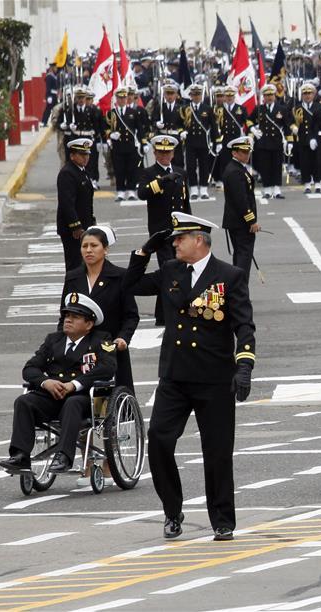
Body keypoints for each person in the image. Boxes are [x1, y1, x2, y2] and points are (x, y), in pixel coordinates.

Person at [123, 212, 256, 541]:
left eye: (179, 239)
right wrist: (143, 252)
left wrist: (244, 367)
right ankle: (172, 509)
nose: (174, 244)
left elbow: (244, 325)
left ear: (200, 240)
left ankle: (223, 519)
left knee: (218, 452)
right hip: (175, 376)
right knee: (159, 441)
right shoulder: (171, 270)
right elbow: (132, 285)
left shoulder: (229, 275)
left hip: (214, 377)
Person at [0, 293, 116, 475]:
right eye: (67, 316)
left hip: (88, 399)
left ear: (89, 324)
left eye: (75, 317)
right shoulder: (53, 340)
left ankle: (63, 456)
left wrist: (74, 384)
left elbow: (108, 368)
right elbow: (30, 368)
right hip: (53, 396)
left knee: (72, 403)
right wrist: (46, 382)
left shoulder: (101, 340)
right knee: (23, 402)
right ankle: (20, 456)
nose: (68, 320)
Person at [61, 226, 139, 391]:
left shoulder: (119, 276)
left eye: (94, 245)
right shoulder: (73, 277)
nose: (88, 250)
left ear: (105, 249)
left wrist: (123, 338)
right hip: (78, 349)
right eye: (84, 246)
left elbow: (131, 315)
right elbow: (64, 315)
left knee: (117, 397)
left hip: (110, 348)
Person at [137, 135, 191, 269]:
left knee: (182, 262)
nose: (164, 155)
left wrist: (190, 225)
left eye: (168, 152)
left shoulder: (181, 172)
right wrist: (163, 180)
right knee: (167, 265)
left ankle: (179, 290)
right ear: (155, 153)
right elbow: (142, 193)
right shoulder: (149, 173)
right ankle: (169, 290)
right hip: (160, 228)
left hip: (179, 227)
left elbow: (185, 202)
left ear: (173, 153)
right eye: (161, 152)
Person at [222, 136, 260, 283]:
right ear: (234, 153)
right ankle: (240, 290)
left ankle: (238, 290)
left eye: (248, 152)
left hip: (237, 221)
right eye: (243, 152)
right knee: (243, 258)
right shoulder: (235, 171)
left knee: (240, 257)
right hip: (241, 222)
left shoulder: (238, 168)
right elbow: (241, 200)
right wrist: (252, 221)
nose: (247, 155)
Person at [57, 138, 96, 271]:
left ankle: (80, 291)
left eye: (87, 154)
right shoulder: (67, 173)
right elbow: (66, 203)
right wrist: (75, 226)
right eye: (82, 154)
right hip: (73, 230)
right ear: (72, 155)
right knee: (74, 266)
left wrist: (91, 222)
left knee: (84, 265)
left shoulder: (81, 171)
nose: (85, 158)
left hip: (84, 225)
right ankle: (70, 292)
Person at [250, 84, 292, 199]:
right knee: (265, 167)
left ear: (274, 95)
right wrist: (253, 129)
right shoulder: (259, 109)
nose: (269, 97)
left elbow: (287, 126)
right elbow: (249, 120)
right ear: (263, 96)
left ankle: (277, 190)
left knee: (277, 166)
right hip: (263, 143)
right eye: (266, 95)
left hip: (277, 142)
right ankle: (267, 189)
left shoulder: (282, 109)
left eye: (271, 95)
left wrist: (290, 141)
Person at [105, 88, 144, 201]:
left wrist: (143, 143)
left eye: (124, 98)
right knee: (119, 169)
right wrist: (110, 135)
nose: (122, 100)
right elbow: (105, 128)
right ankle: (121, 191)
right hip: (118, 146)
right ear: (116, 99)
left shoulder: (133, 112)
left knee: (131, 169)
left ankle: (131, 191)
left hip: (130, 146)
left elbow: (139, 129)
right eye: (120, 98)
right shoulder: (112, 113)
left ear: (127, 99)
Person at [181, 84, 216, 201]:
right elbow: (179, 123)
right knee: (190, 166)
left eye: (198, 94)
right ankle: (194, 188)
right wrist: (182, 131)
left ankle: (204, 188)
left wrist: (217, 141)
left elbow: (213, 126)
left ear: (201, 95)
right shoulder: (185, 108)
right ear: (190, 95)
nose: (196, 97)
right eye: (194, 95)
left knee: (204, 166)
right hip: (190, 142)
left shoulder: (207, 109)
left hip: (203, 142)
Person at [292, 83, 319, 193]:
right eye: (305, 94)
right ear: (302, 95)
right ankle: (307, 184)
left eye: (309, 93)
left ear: (314, 94)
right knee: (305, 162)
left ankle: (318, 183)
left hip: (315, 139)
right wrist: (293, 127)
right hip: (302, 139)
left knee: (317, 162)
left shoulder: (318, 107)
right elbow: (290, 121)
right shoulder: (297, 108)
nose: (307, 96)